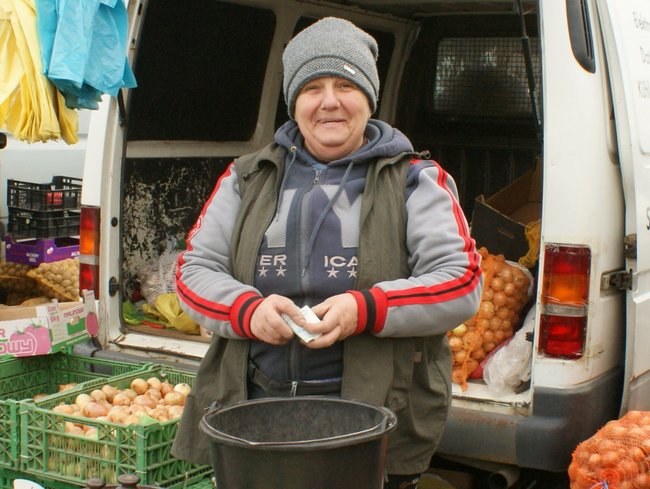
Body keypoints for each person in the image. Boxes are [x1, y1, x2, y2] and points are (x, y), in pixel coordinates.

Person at [171, 17, 482, 489]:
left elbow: (460, 281)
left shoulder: (417, 180)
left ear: (369, 99)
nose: (329, 101)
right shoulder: (247, 177)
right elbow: (194, 270)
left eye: (345, 84)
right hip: (255, 412)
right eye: (313, 87)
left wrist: (367, 308)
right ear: (294, 101)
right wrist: (248, 311)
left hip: (373, 416)